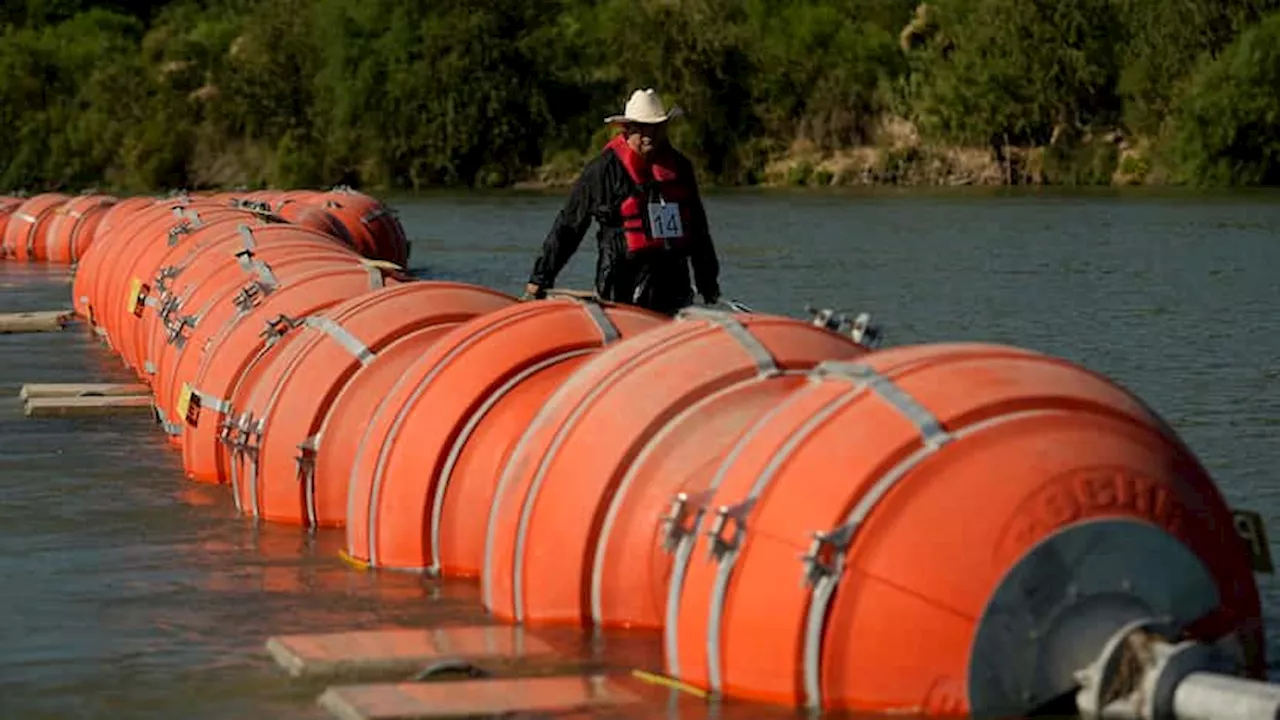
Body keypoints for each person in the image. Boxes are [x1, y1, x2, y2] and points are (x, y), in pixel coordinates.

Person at [523, 88, 721, 315]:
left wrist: (708, 283)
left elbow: (698, 229)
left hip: (672, 286)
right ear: (626, 129)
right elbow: (569, 226)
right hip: (620, 285)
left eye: (655, 127)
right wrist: (540, 278)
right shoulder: (602, 170)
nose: (649, 134)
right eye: (641, 127)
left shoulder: (680, 168)